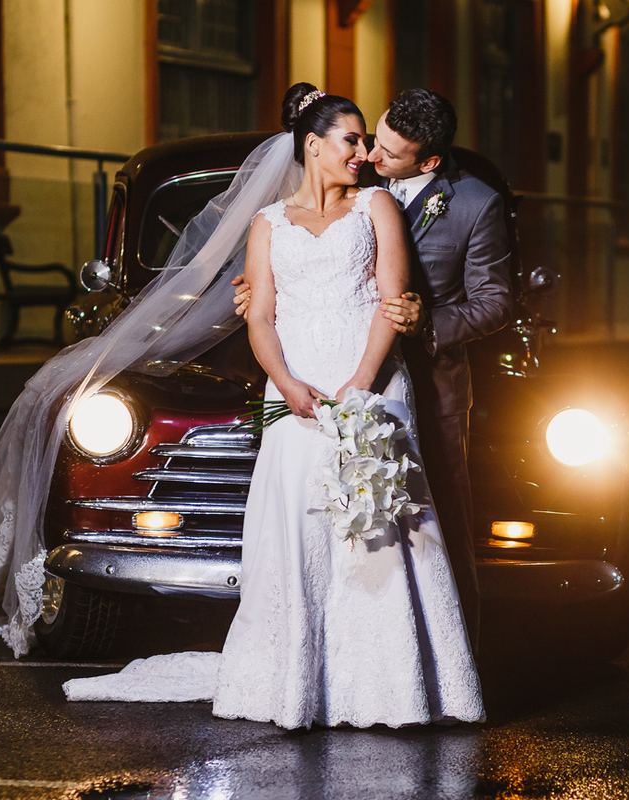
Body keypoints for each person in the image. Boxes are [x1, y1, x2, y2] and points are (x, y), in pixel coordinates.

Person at [62, 84, 483, 728]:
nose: (364, 151)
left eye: (367, 139)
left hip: (366, 383)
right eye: (352, 138)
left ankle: (387, 685)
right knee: (297, 525)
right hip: (295, 387)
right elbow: (259, 315)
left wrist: (362, 386)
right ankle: (295, 676)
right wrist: (286, 383)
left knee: (381, 527)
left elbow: (389, 301)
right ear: (313, 146)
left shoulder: (377, 207)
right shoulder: (267, 224)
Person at [233, 89, 513, 652]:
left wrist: (422, 322)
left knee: (433, 532)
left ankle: (452, 660)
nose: (371, 156)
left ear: (427, 162)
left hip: (422, 383)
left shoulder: (472, 203)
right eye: (367, 139)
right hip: (314, 372)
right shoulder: (337, 190)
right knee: (306, 523)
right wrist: (263, 293)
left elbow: (497, 302)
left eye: (386, 150)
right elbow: (280, 286)